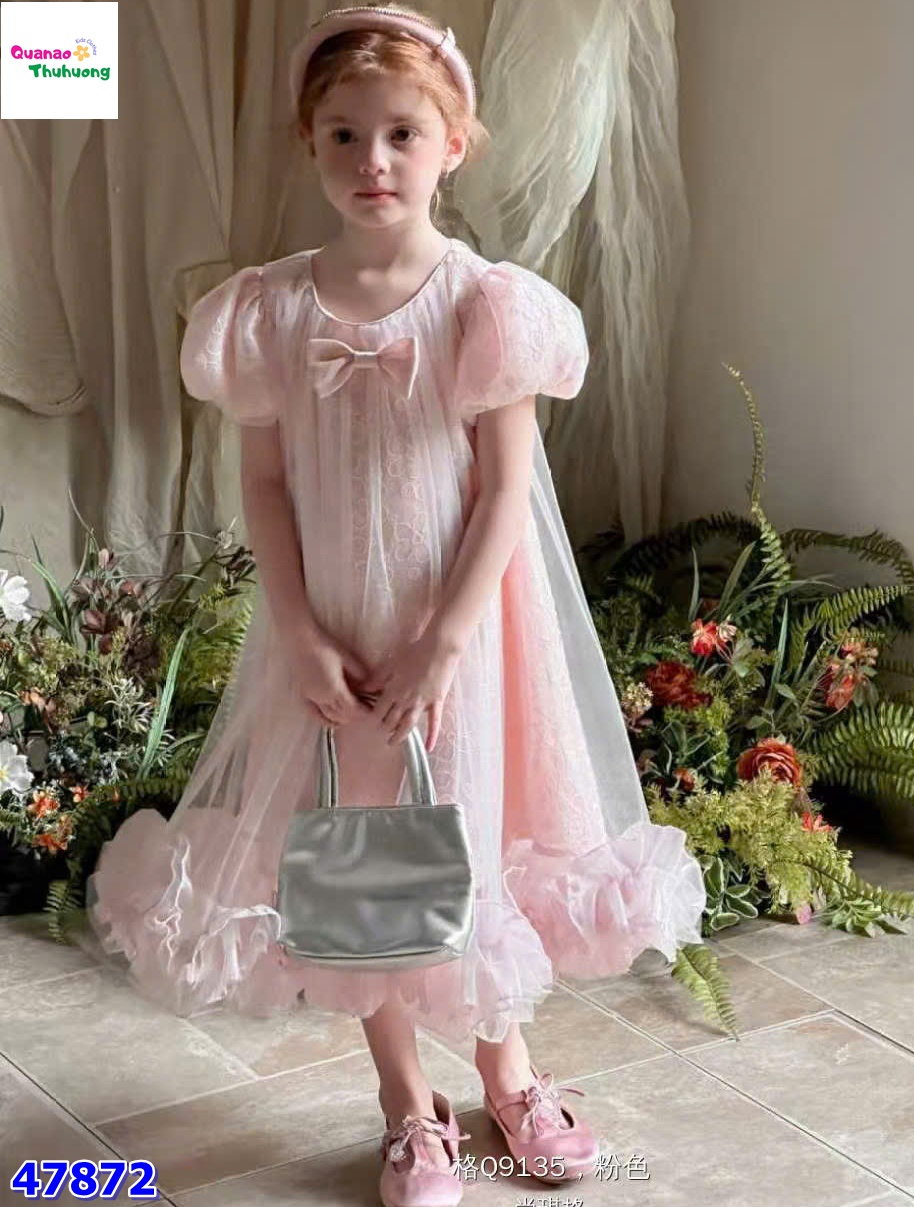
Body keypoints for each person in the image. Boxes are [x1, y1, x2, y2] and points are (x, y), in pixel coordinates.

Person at [83, 6, 707, 1205]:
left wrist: (446, 641)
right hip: (333, 637)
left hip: (457, 634)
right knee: (362, 857)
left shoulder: (483, 304)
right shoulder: (269, 310)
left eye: (402, 134)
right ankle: (406, 1102)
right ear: (310, 144)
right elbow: (266, 486)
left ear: (453, 144)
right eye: (344, 135)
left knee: (460, 835)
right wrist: (300, 632)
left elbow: (508, 488)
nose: (373, 160)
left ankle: (510, 1075)